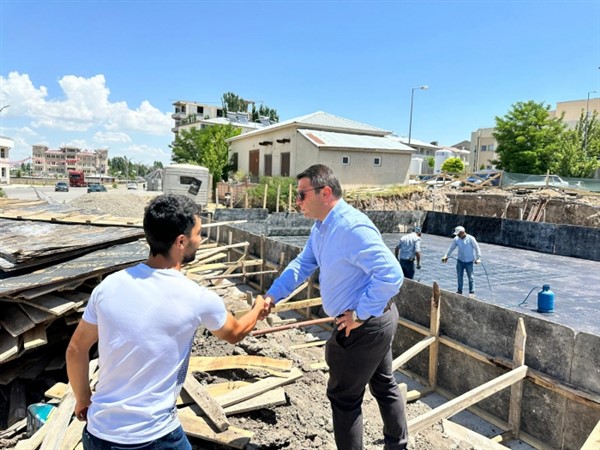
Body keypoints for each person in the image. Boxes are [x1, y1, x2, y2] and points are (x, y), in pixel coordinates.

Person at [66, 194, 266, 450]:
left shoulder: (108, 286)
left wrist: (83, 398)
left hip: (100, 436)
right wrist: (257, 309)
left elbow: (76, 350)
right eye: (198, 234)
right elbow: (235, 332)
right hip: (155, 438)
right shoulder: (196, 297)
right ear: (181, 241)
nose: (201, 240)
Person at [260, 164, 408, 450]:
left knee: (344, 398)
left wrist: (359, 314)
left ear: (325, 192)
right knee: (384, 384)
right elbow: (303, 264)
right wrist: (273, 295)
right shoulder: (322, 228)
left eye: (302, 195)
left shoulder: (350, 227)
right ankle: (397, 445)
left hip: (363, 325)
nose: (297, 201)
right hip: (377, 318)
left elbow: (391, 274)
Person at [441, 225, 482, 297]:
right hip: (460, 261)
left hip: (469, 262)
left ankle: (471, 292)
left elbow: (477, 248)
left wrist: (478, 258)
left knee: (471, 277)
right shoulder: (456, 239)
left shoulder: (471, 238)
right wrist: (446, 256)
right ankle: (459, 291)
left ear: (462, 232)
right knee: (459, 276)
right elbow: (451, 248)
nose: (457, 235)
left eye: (458, 234)